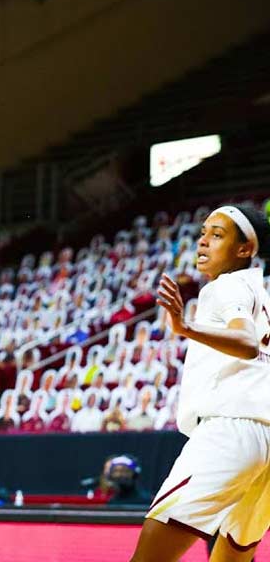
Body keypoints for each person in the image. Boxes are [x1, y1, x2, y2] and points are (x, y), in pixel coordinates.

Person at [132, 204, 270, 562]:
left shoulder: (223, 288)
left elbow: (246, 343)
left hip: (231, 432)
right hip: (267, 440)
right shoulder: (262, 296)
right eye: (203, 233)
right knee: (232, 556)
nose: (203, 242)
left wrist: (185, 326)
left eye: (218, 235)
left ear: (244, 250)